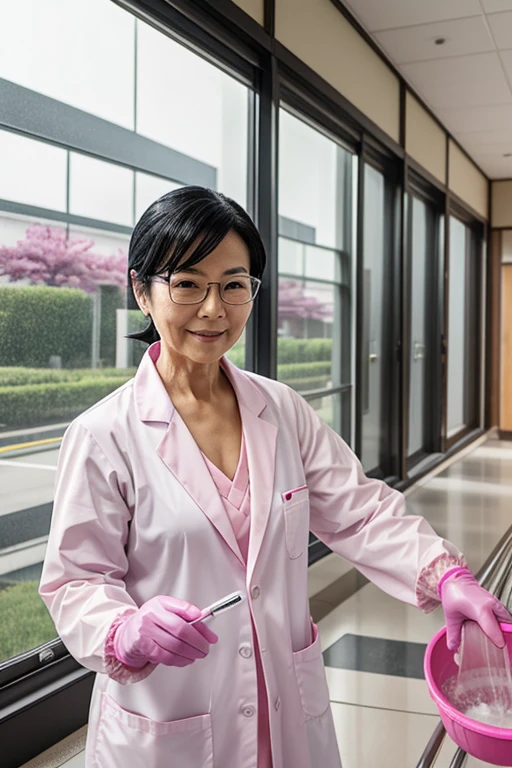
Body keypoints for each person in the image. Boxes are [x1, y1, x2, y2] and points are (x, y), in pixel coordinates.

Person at [39, 186, 511, 768]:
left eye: (235, 285)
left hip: (282, 708)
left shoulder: (281, 409)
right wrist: (125, 630)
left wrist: (447, 578)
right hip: (171, 719)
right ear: (142, 289)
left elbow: (359, 510)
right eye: (187, 283)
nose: (214, 309)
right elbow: (76, 581)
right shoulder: (103, 435)